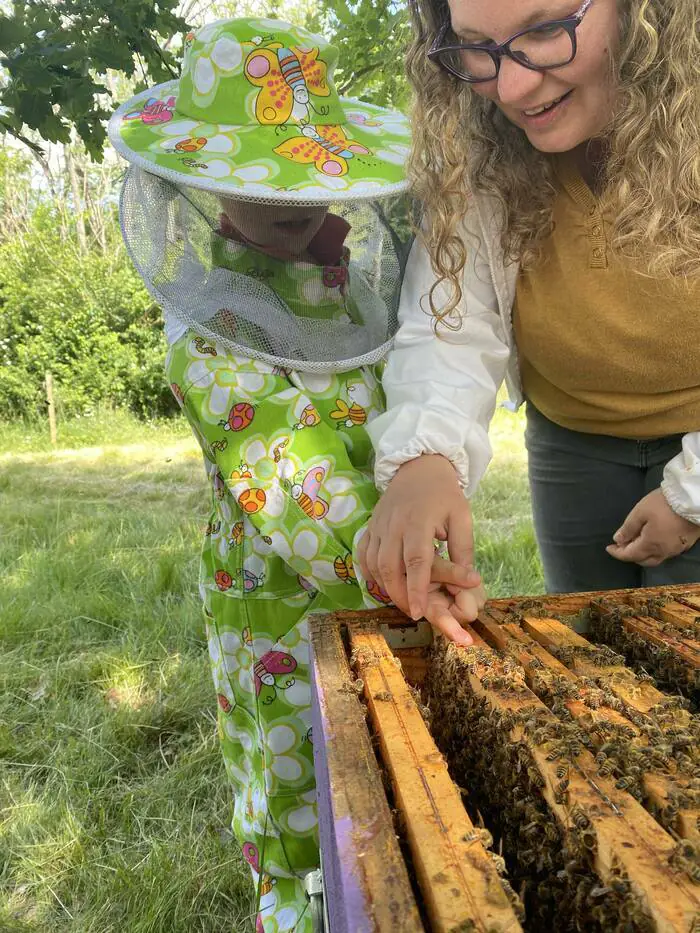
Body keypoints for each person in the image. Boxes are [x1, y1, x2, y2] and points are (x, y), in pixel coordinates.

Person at [108, 17, 482, 931]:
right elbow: (290, 479)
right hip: (277, 612)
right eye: (252, 182)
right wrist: (407, 562)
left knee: (388, 797)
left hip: (382, 584)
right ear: (199, 187)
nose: (287, 204)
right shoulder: (208, 335)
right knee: (300, 821)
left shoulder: (354, 288)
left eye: (295, 180)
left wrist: (416, 520)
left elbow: (412, 401)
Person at [359, 0, 700, 631]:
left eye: (545, 31)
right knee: (589, 643)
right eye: (476, 46)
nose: (509, 89)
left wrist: (692, 493)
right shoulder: (478, 147)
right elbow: (451, 319)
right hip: (570, 439)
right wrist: (423, 462)